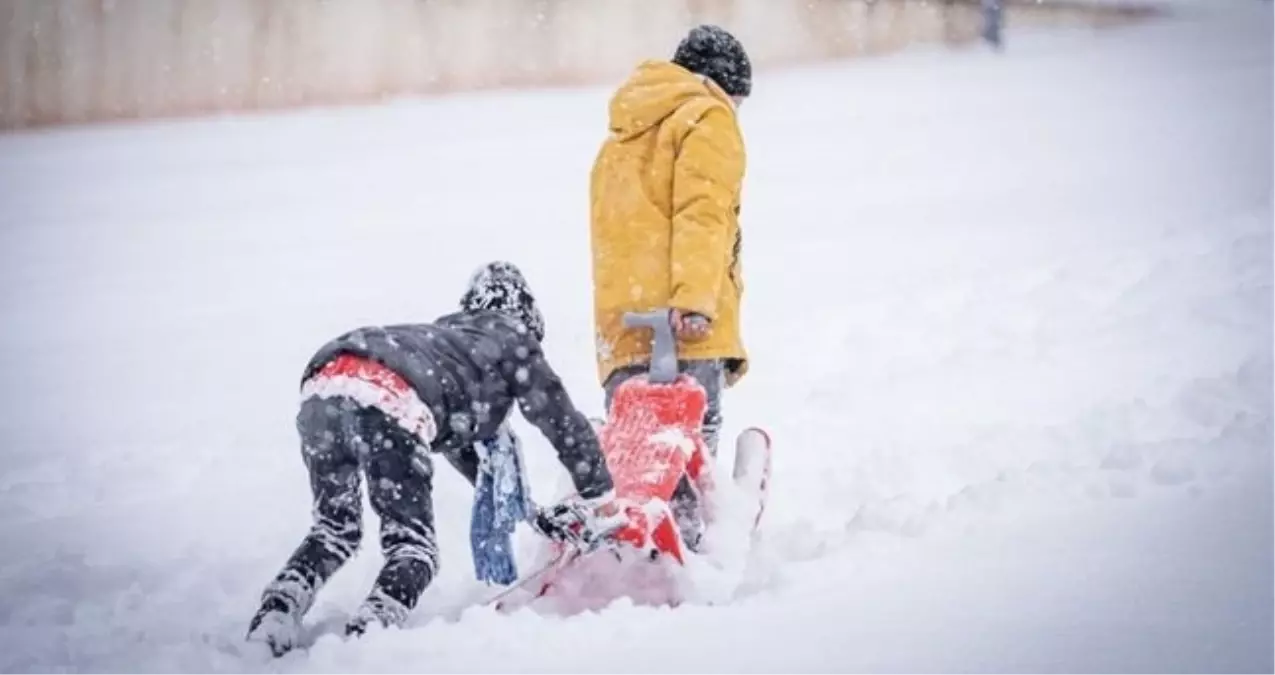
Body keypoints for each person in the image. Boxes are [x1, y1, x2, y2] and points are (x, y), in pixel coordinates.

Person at [245, 261, 617, 656]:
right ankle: (368, 636)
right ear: (527, 316)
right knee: (413, 550)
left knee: (334, 530)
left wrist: (534, 514)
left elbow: (467, 454)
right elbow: (562, 421)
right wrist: (600, 495)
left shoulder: (446, 345)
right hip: (389, 398)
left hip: (325, 385)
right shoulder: (511, 338)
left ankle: (277, 613)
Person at [587, 24, 753, 549]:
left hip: (622, 323)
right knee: (690, 444)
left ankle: (639, 548)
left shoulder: (621, 135)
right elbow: (702, 215)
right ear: (722, 84)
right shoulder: (707, 117)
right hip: (683, 322)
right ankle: (692, 546)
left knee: (638, 456)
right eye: (739, 100)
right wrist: (694, 300)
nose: (737, 111)